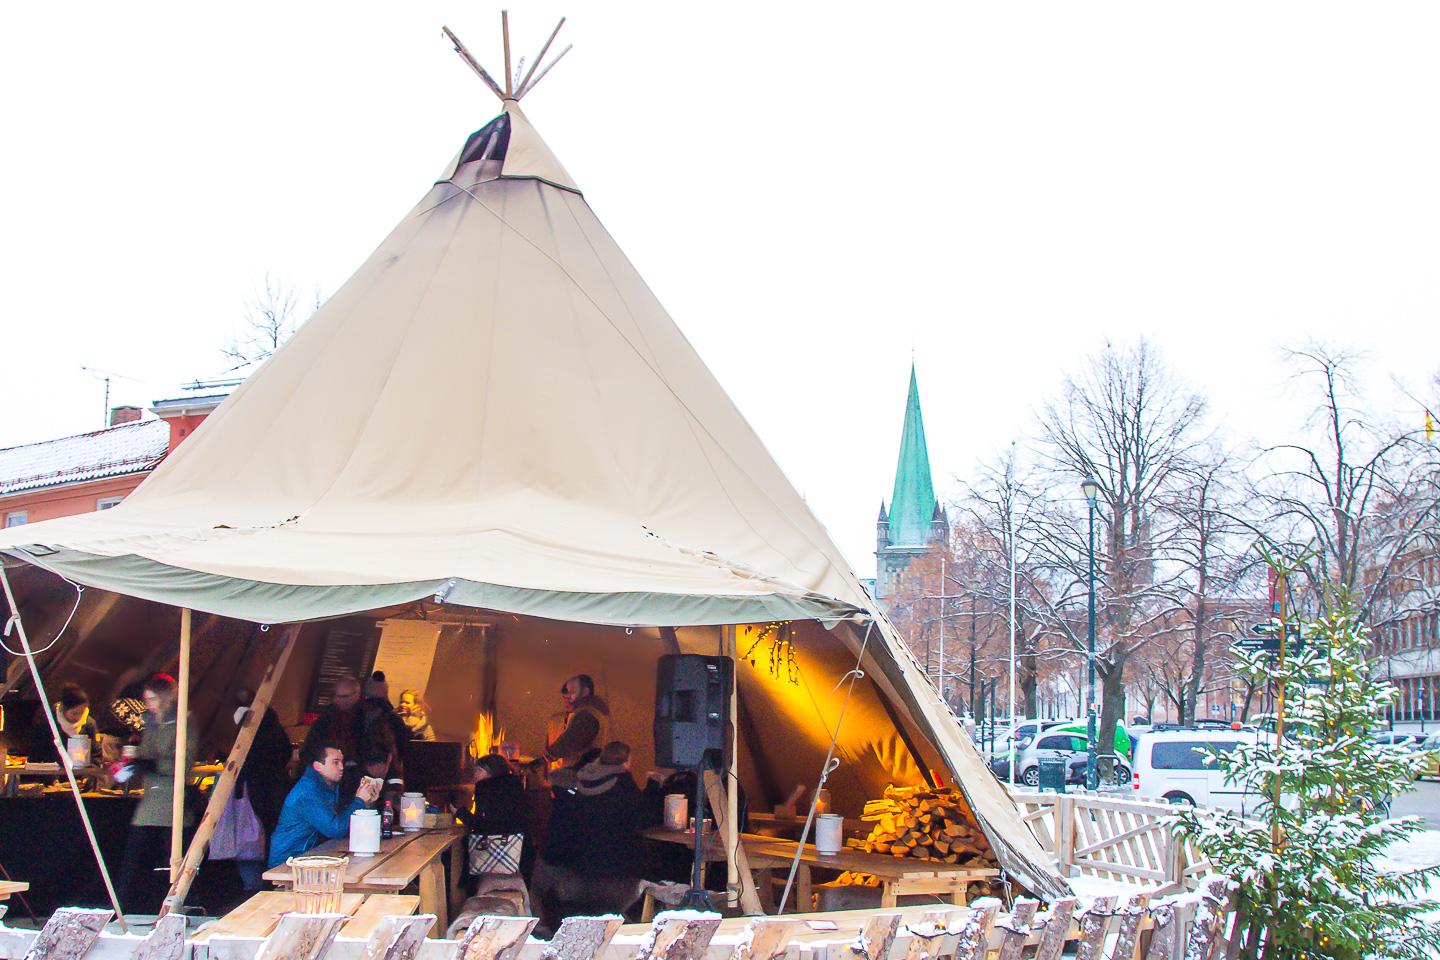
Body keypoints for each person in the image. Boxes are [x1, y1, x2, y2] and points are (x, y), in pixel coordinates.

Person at [532, 741, 646, 931]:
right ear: (626, 762)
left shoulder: (572, 792)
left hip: (576, 876)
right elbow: (644, 818)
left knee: (544, 869)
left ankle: (541, 927)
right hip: (618, 880)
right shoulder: (625, 788)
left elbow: (556, 843)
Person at [117, 674, 199, 915]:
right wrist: (133, 763)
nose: (149, 704)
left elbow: (184, 762)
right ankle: (122, 904)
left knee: (172, 858)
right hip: (151, 798)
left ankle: (179, 905)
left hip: (173, 797)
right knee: (133, 857)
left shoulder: (184, 722)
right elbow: (146, 752)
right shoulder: (151, 722)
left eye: (152, 699)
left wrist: (153, 765)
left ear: (164, 698)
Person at [268, 742, 382, 867]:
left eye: (341, 762)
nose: (341, 767)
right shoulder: (307, 793)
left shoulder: (327, 786)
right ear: (318, 766)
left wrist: (367, 804)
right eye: (335, 762)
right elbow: (336, 829)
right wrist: (359, 800)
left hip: (309, 858)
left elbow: (345, 826)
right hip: (287, 862)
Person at [233, 689, 295, 891]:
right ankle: (273, 875)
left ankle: (253, 884)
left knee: (251, 837)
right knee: (271, 832)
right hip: (277, 784)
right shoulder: (272, 722)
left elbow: (241, 758)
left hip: (255, 788)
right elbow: (286, 750)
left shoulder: (246, 724)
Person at [301, 676, 363, 798]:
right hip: (328, 779)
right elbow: (310, 749)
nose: (338, 700)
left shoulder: (367, 718)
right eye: (335, 695)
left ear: (357, 695)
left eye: (344, 696)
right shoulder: (325, 720)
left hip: (357, 778)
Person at [543, 675, 609, 770]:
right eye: (565, 697)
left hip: (579, 775)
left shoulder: (587, 716)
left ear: (585, 692)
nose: (567, 700)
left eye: (572, 692)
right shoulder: (591, 713)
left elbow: (567, 743)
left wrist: (540, 762)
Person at [31, 683, 100, 766]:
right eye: (74, 713)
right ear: (63, 708)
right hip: (53, 774)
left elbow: (96, 755)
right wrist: (52, 778)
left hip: (81, 776)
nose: (78, 717)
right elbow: (38, 753)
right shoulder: (48, 722)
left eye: (82, 713)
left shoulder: (89, 724)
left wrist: (88, 775)